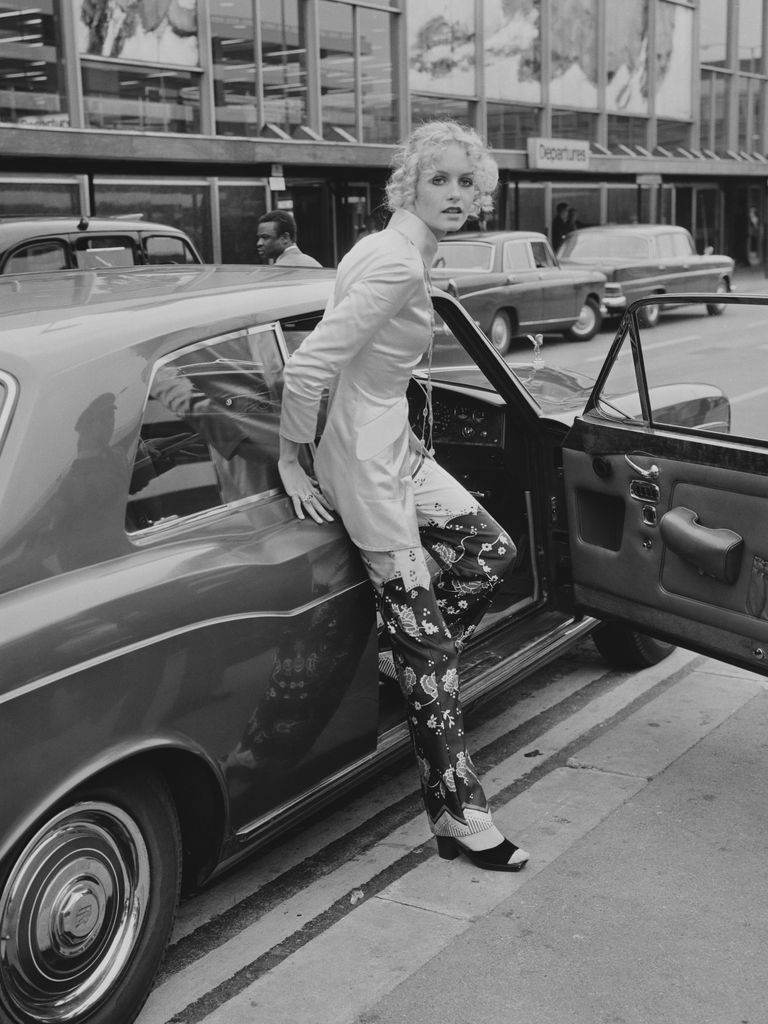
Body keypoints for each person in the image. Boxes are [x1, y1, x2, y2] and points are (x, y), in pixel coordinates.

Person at [277, 120, 529, 872]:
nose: (456, 194)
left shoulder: (386, 249)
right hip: (362, 464)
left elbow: (367, 370)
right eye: (440, 180)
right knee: (429, 649)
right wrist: (292, 458)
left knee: (489, 551)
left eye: (466, 182)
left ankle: (404, 661)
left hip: (391, 443)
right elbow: (308, 367)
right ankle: (459, 815)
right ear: (409, 184)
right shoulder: (395, 265)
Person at [256, 210, 322, 267]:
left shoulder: (277, 271)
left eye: (265, 237)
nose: (259, 243)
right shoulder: (314, 264)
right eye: (259, 238)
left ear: (285, 238)